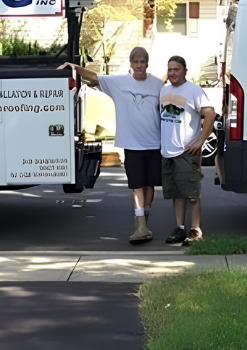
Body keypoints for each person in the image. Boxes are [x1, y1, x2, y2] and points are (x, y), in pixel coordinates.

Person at [60, 47, 164, 243]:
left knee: (150, 185)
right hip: (132, 145)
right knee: (137, 185)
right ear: (130, 64)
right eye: (136, 62)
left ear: (147, 63)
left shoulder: (157, 84)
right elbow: (95, 77)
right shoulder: (119, 82)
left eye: (142, 62)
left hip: (154, 143)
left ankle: (144, 221)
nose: (139, 66)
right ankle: (140, 225)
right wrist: (75, 67)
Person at [158, 55, 215, 246]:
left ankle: (196, 230)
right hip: (168, 152)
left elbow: (210, 113)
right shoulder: (164, 90)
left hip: (186, 151)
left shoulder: (194, 91)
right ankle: (180, 228)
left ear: (184, 70)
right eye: (170, 69)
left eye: (177, 69)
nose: (173, 73)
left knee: (191, 192)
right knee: (177, 193)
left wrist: (200, 140)